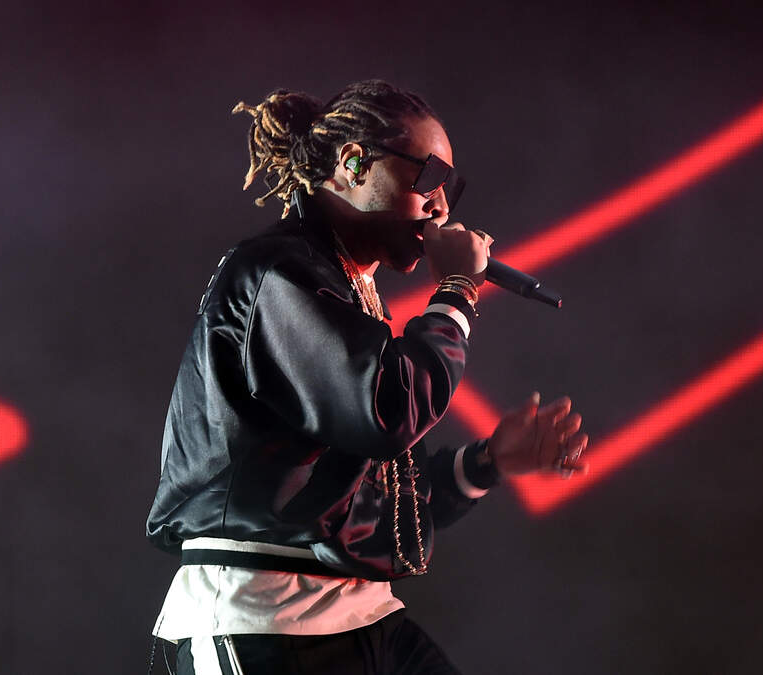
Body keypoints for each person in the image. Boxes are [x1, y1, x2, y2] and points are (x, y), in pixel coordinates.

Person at [145, 80, 589, 675]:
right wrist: (457, 290)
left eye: (451, 189)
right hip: (262, 617)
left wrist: (484, 464)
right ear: (354, 163)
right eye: (430, 177)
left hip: (357, 611)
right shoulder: (280, 274)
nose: (442, 207)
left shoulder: (348, 290)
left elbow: (366, 504)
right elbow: (387, 413)